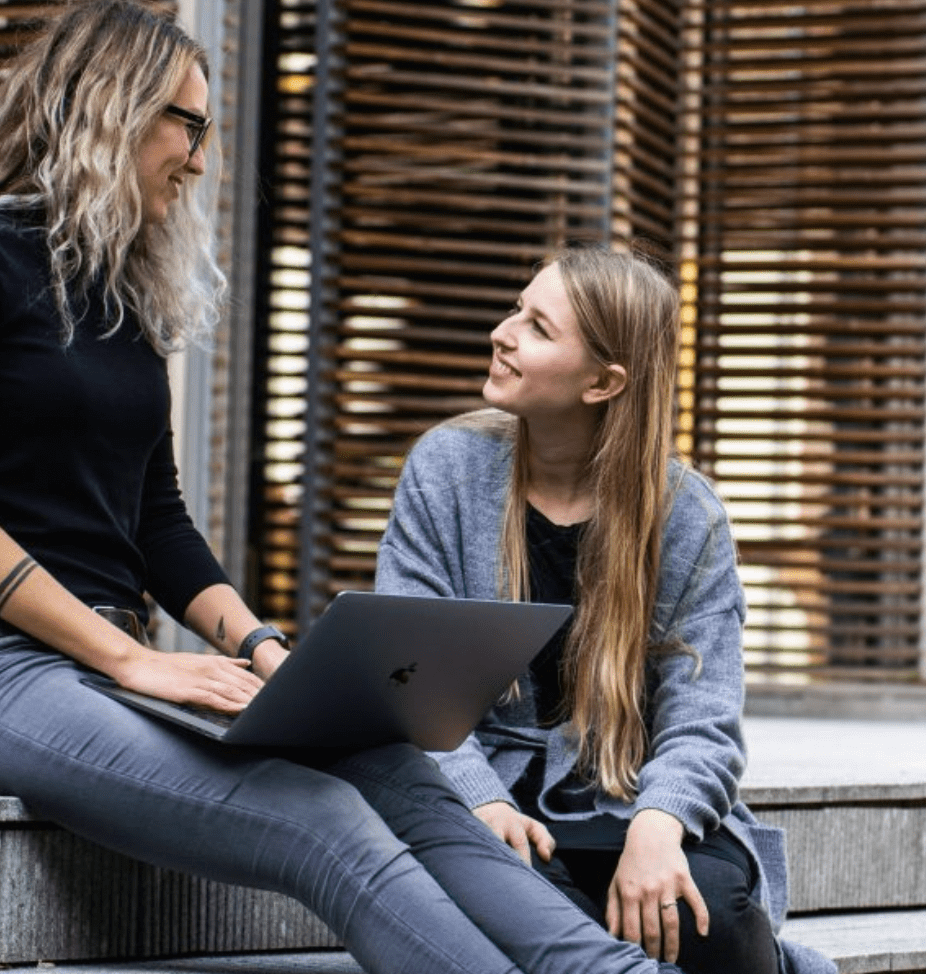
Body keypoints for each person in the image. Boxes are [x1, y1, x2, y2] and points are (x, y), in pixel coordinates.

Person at [0, 3, 688, 972]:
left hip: (111, 659)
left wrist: (264, 646)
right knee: (322, 816)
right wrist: (127, 658)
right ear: (110, 109)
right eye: (186, 125)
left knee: (401, 774)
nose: (200, 158)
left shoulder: (120, 296)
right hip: (18, 670)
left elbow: (158, 521)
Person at [375, 247, 836, 974]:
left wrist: (659, 827)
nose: (502, 331)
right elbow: (407, 676)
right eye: (514, 309)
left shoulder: (685, 515)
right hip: (483, 792)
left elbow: (703, 718)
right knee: (517, 897)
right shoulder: (447, 468)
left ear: (603, 382)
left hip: (623, 795)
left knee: (703, 913)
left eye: (537, 326)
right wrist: (480, 802)